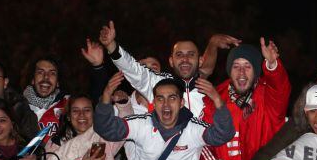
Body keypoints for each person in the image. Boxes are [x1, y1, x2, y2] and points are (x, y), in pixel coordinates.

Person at [98, 21, 240, 118]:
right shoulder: (159, 84)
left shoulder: (208, 90)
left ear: (200, 60)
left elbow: (207, 68)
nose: (185, 59)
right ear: (171, 61)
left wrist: (213, 43)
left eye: (191, 55)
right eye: (179, 55)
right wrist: (111, 46)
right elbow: (132, 68)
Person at [94, 76, 235, 160]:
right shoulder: (140, 124)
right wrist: (106, 97)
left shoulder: (194, 128)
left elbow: (223, 135)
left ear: (181, 103)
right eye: (160, 99)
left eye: (172, 98)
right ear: (154, 103)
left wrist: (217, 99)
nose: (166, 104)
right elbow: (107, 129)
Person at [201, 39, 291, 160]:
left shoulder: (268, 96)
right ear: (229, 70)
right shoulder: (213, 99)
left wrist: (272, 64)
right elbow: (201, 140)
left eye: (247, 66)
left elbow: (280, 88)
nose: (241, 72)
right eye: (236, 66)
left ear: (256, 71)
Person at [44, 73, 133, 160]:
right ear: (68, 116)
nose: (81, 115)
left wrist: (123, 104)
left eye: (87, 110)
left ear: (94, 114)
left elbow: (124, 129)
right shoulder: (55, 142)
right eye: (75, 111)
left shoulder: (103, 136)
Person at [22, 55, 70, 140]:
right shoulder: (17, 107)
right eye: (40, 72)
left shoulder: (68, 104)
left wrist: (97, 67)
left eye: (52, 73)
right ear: (32, 79)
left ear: (58, 82)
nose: (46, 77)